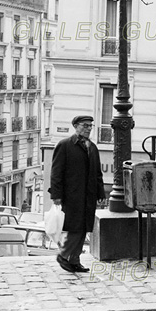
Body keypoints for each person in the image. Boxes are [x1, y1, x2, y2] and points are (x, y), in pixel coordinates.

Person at [49, 115, 106, 273]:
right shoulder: (65, 145)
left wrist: (100, 192)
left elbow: (97, 173)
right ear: (76, 126)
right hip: (72, 196)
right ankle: (65, 254)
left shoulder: (92, 147)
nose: (88, 128)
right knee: (75, 228)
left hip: (88, 196)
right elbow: (56, 173)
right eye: (85, 125)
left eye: (90, 126)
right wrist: (56, 195)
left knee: (83, 228)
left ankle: (74, 260)